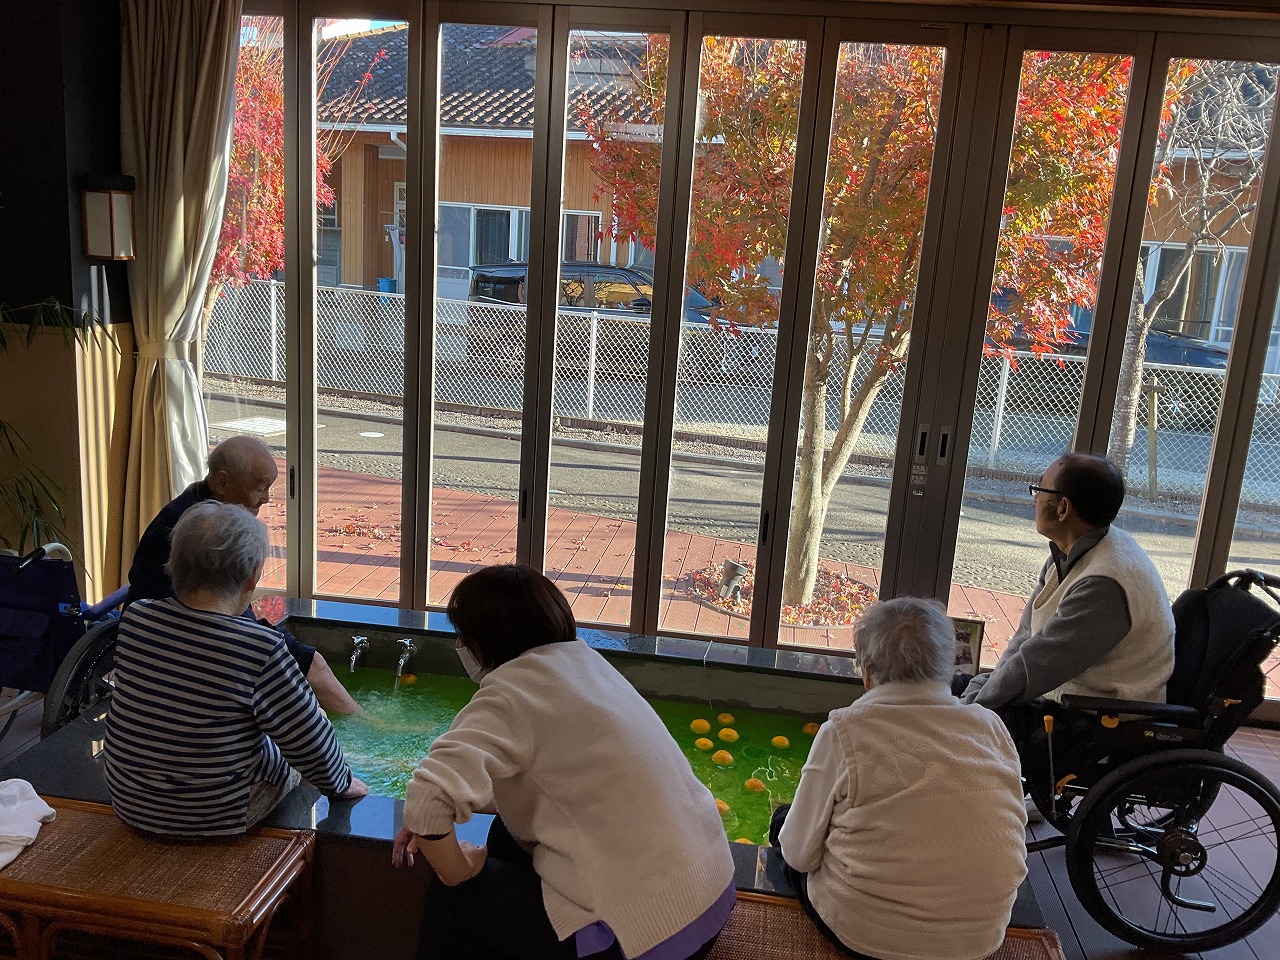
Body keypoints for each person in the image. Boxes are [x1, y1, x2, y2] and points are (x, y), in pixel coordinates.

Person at [391, 564, 734, 960]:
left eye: (462, 636)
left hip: (644, 936)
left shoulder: (509, 691)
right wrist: (443, 815)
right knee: (507, 834)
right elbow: (554, 785)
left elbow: (425, 801)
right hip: (709, 890)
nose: (459, 646)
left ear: (484, 641)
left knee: (455, 894)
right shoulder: (587, 664)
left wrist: (459, 868)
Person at [771, 597, 1028, 960]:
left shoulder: (844, 731)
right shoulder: (990, 727)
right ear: (950, 669)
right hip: (980, 937)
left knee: (783, 824)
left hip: (871, 939)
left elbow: (799, 855)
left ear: (868, 673)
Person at [105, 501, 368, 836]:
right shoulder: (259, 647)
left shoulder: (137, 618)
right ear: (252, 576)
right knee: (301, 737)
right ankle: (296, 843)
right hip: (218, 814)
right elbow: (307, 738)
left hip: (131, 802)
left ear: (174, 563)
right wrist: (341, 781)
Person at [126, 435, 359, 714]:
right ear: (223, 483)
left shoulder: (201, 509)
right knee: (309, 665)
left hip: (208, 627)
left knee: (310, 663)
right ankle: (367, 729)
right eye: (261, 487)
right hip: (193, 641)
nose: (267, 498)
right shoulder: (195, 529)